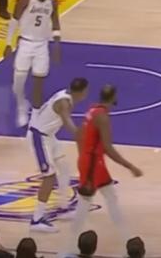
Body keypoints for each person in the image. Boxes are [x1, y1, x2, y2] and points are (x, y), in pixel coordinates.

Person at [67, 85, 143, 253]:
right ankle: (69, 248)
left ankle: (127, 239)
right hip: (93, 165)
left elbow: (78, 134)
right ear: (113, 97)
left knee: (111, 198)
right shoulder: (102, 117)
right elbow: (108, 148)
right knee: (83, 206)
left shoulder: (92, 110)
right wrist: (130, 166)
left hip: (93, 163)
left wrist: (83, 156)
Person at [27, 77, 89, 232]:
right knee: (49, 177)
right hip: (39, 137)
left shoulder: (65, 95)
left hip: (49, 136)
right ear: (82, 92)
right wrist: (81, 135)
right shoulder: (64, 103)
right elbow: (68, 123)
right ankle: (36, 220)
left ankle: (63, 208)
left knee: (64, 168)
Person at [4, 0, 61, 127]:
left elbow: (56, 23)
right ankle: (22, 105)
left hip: (42, 45)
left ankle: (35, 116)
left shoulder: (53, 3)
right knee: (18, 82)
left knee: (38, 82)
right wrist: (8, 44)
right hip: (25, 43)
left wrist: (56, 45)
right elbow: (14, 21)